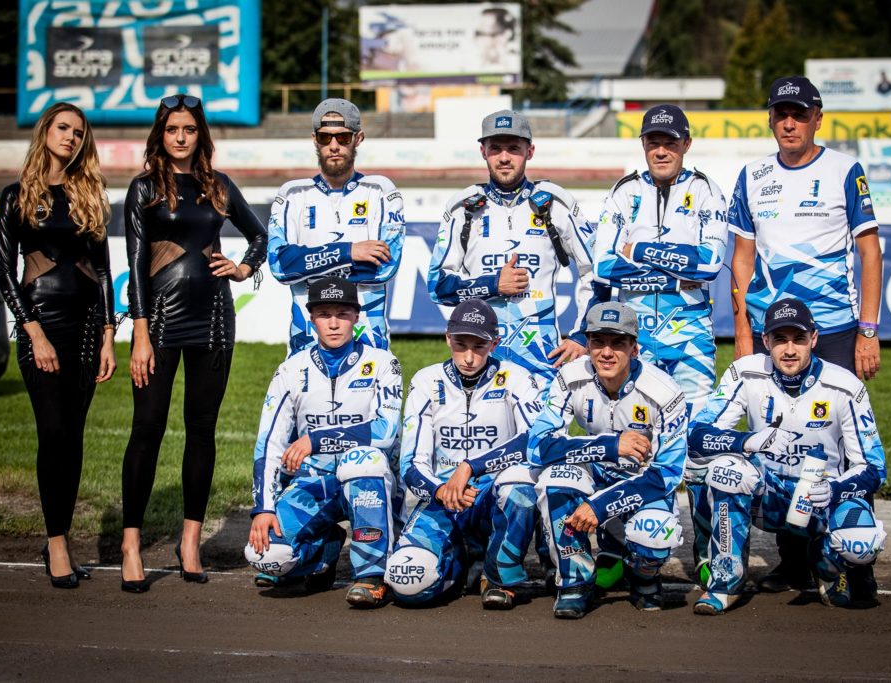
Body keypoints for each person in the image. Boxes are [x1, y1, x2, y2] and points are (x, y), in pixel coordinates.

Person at [727, 75, 883, 596]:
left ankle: (854, 557)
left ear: (817, 118)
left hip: (834, 329)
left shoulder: (844, 170)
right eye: (780, 114)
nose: (789, 123)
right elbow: (742, 260)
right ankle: (794, 561)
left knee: (845, 447)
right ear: (771, 119)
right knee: (780, 441)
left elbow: (869, 251)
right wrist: (744, 334)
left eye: (799, 114)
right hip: (772, 334)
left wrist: (868, 330)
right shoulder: (752, 175)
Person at [120, 94, 268, 593]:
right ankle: (131, 544)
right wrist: (140, 333)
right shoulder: (143, 188)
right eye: (172, 129)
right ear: (160, 135)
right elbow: (136, 266)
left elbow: (260, 236)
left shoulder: (218, 186)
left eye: (189, 129)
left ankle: (190, 542)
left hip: (213, 322)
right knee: (147, 429)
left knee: (201, 430)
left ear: (200, 135)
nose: (180, 137)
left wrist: (244, 268)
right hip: (159, 325)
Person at [467, 301, 687, 619]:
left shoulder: (665, 392)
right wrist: (610, 446)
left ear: (634, 348)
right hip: (597, 468)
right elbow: (538, 447)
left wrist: (599, 506)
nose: (606, 352)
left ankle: (643, 577)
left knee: (654, 533)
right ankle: (575, 582)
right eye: (598, 341)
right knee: (556, 481)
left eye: (618, 343)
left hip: (642, 478)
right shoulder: (570, 377)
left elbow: (667, 474)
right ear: (587, 344)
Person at [687, 298, 887, 614]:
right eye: (780, 339)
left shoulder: (845, 386)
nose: (790, 349)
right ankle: (725, 582)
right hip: (769, 495)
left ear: (814, 339)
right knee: (723, 470)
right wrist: (747, 441)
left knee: (862, 541)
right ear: (766, 341)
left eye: (799, 339)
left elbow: (875, 467)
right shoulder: (745, 373)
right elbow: (696, 436)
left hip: (822, 498)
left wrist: (834, 490)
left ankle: (829, 567)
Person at [0, 102, 116, 589]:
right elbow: (5, 274)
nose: (70, 137)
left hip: (86, 328)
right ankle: (57, 542)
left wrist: (108, 335)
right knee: (52, 432)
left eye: (78, 132)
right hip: (41, 325)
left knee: (74, 436)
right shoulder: (16, 195)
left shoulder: (90, 194)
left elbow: (104, 271)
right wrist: (34, 331)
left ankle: (59, 538)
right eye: (63, 128)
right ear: (45, 130)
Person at [244, 277, 402, 608]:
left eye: (342, 314)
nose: (333, 323)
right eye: (324, 314)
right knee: (264, 555)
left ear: (356, 316)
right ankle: (324, 550)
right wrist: (264, 508)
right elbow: (269, 443)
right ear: (311, 317)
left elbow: (385, 431)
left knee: (364, 462)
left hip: (368, 481)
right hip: (313, 482)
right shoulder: (290, 370)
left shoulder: (383, 363)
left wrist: (316, 439)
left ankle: (371, 575)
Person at [384, 299, 544, 609]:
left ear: (494, 343)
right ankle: (461, 562)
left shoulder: (517, 377)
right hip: (444, 497)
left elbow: (533, 440)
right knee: (407, 583)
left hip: (493, 496)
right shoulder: (426, 381)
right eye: (460, 345)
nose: (469, 357)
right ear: (447, 338)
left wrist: (471, 466)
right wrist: (441, 490)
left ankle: (498, 577)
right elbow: (411, 463)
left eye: (479, 346)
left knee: (519, 485)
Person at [428, 109, 597, 381]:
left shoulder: (556, 203)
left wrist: (582, 334)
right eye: (495, 148)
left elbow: (596, 271)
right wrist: (494, 284)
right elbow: (437, 287)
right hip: (479, 360)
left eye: (514, 148)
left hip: (541, 362)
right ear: (483, 151)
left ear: (530, 151)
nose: (504, 157)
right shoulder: (462, 208)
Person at [593, 103, 728, 417]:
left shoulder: (706, 190)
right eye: (653, 143)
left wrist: (640, 250)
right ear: (643, 144)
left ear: (686, 144)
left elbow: (709, 264)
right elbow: (602, 267)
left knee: (695, 426)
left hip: (690, 332)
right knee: (637, 426)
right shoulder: (624, 191)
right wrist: (676, 277)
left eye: (670, 143)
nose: (661, 151)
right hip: (635, 333)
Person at [267, 98, 405, 356]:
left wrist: (307, 263)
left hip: (368, 338)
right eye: (325, 137)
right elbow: (280, 266)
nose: (333, 146)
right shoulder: (292, 194)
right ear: (314, 140)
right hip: (307, 339)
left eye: (342, 138)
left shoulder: (381, 191)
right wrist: (349, 251)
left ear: (358, 139)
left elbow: (385, 267)